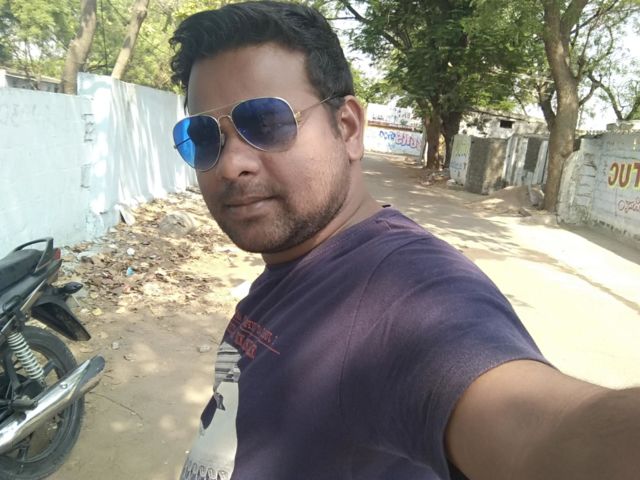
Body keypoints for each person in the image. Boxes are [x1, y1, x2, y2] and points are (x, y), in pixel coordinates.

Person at [168, 2, 639, 479]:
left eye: (266, 123)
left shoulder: (404, 293)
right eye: (204, 136)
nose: (231, 165)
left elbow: (547, 433)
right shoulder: (296, 265)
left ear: (348, 129)